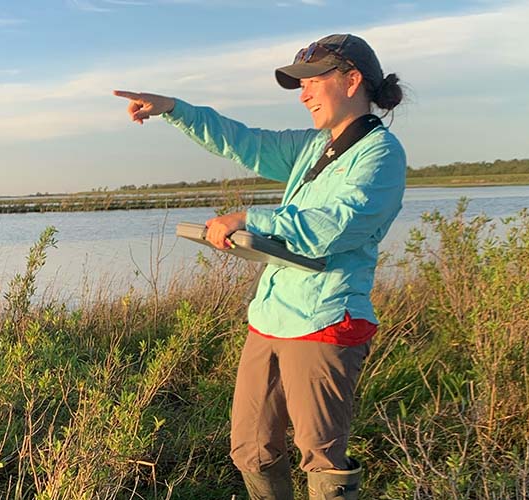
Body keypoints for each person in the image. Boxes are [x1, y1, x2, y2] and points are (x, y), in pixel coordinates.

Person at [114, 34, 405, 499]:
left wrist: (249, 217)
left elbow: (333, 225)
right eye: (300, 84)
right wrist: (174, 108)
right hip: (270, 319)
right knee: (251, 448)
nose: (304, 93)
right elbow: (243, 142)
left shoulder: (380, 155)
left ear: (353, 81)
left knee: (320, 454)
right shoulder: (312, 148)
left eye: (313, 80)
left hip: (326, 320)